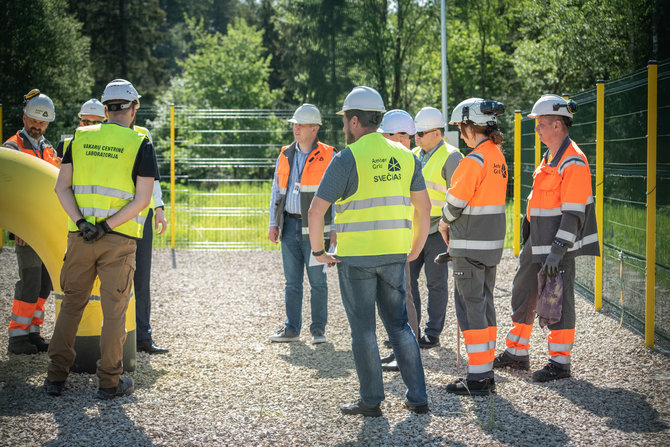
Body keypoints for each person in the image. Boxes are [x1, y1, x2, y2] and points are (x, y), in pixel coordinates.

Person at [308, 86, 431, 417]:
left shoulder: (347, 158)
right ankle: (418, 398)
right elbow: (424, 207)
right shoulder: (406, 156)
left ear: (355, 120)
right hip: (394, 254)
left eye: (346, 119)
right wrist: (415, 247)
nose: (345, 125)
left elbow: (316, 212)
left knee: (363, 329)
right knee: (400, 325)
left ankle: (371, 401)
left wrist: (319, 251)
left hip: (357, 258)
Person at [45, 79, 159, 399]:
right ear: (133, 108)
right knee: (114, 312)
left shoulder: (79, 137)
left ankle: (55, 378)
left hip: (80, 237)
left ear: (106, 108)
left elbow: (61, 188)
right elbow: (142, 200)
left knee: (71, 306)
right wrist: (106, 227)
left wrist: (83, 223)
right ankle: (110, 381)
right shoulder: (140, 143)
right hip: (118, 240)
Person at [493, 94, 599, 382]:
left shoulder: (573, 160)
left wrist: (558, 250)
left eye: (540, 124)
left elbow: (574, 212)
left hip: (555, 248)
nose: (536, 129)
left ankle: (559, 363)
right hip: (536, 243)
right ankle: (517, 352)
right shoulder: (550, 156)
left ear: (557, 125)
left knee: (558, 302)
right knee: (523, 292)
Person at [440, 98, 508, 395]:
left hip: (468, 247)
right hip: (490, 246)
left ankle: (478, 378)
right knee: (485, 304)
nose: (461, 133)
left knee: (471, 309)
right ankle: (486, 371)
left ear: (471, 126)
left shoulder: (474, 161)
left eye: (461, 127)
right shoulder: (497, 156)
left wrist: (443, 223)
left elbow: (455, 203)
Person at [268, 104, 336, 344]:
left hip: (316, 228)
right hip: (288, 224)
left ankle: (318, 331)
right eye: (295, 124)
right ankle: (291, 329)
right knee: (292, 282)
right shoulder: (286, 153)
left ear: (315, 129)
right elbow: (277, 190)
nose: (296, 128)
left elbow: (337, 196)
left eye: (301, 125)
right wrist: (272, 223)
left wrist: (335, 229)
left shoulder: (330, 155)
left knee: (318, 281)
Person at [3, 89, 59, 355]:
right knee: (30, 279)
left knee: (45, 283)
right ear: (24, 118)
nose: (38, 126)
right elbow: (9, 193)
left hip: (45, 227)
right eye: (34, 120)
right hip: (27, 230)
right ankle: (17, 338)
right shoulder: (12, 147)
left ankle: (33, 331)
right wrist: (18, 227)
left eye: (43, 122)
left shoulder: (48, 149)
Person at [409, 107, 463, 349]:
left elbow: (459, 198)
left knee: (436, 283)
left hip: (438, 231)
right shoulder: (412, 154)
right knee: (407, 283)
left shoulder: (453, 157)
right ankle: (411, 330)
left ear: (437, 133)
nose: (415, 137)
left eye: (420, 133)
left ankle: (432, 333)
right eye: (415, 133)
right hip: (413, 230)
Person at [377, 109, 419, 372]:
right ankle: (399, 349)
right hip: (390, 239)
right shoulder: (396, 160)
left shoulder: (408, 162)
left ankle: (406, 354)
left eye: (408, 136)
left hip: (400, 240)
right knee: (394, 299)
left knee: (404, 297)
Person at [132, 123, 169, 354]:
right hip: (112, 217)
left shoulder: (143, 134)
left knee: (141, 277)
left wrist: (159, 208)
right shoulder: (93, 137)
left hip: (141, 215)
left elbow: (152, 178)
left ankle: (142, 336)